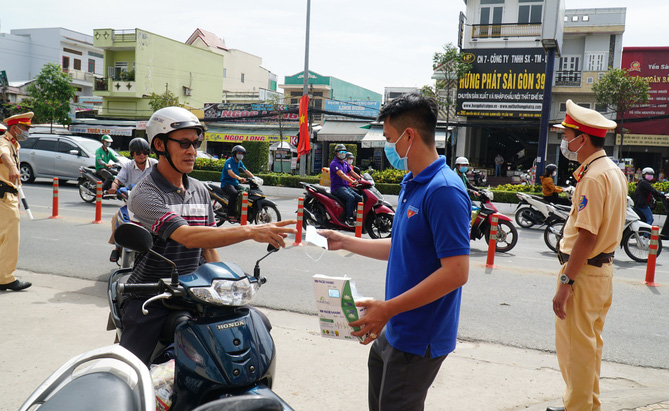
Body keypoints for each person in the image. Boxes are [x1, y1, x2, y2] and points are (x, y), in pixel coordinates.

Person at [319, 94, 470, 410]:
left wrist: (387, 308)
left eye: (389, 139)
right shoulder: (412, 183)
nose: (389, 148)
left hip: (418, 338)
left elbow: (456, 272)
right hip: (395, 328)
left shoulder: (444, 190)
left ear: (409, 136)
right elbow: (401, 245)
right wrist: (345, 241)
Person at [122, 106, 295, 364]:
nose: (192, 151)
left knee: (258, 326)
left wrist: (226, 287)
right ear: (159, 144)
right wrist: (249, 230)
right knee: (130, 370)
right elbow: (188, 236)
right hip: (153, 295)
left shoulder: (200, 190)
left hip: (194, 290)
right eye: (183, 143)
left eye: (195, 143)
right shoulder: (146, 194)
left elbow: (207, 244)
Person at [548, 99, 627, 411]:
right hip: (599, 272)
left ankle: (578, 407)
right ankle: (585, 404)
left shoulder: (594, 176)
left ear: (582, 138)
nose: (565, 141)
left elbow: (587, 235)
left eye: (567, 135)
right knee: (589, 345)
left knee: (575, 348)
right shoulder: (612, 171)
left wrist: (566, 282)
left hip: (582, 272)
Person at [0, 112, 35, 291]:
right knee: (10, 237)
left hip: (5, 193)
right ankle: (6, 278)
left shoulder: (12, 144)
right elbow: (4, 156)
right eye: (26, 128)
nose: (27, 131)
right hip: (3, 194)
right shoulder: (3, 142)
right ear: (15, 128)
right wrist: (13, 167)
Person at [107, 137, 158, 262]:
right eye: (138, 153)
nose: (142, 155)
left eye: (145, 152)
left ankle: (157, 249)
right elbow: (118, 179)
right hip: (131, 203)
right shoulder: (128, 166)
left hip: (151, 203)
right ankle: (117, 248)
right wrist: (114, 187)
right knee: (116, 218)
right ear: (132, 154)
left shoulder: (156, 165)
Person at [220, 144, 255, 223]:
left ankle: (239, 211)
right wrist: (239, 178)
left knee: (246, 191)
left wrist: (254, 178)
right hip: (226, 183)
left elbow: (246, 171)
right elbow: (230, 172)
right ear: (234, 153)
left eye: (242, 153)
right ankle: (230, 214)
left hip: (235, 183)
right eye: (239, 153)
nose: (240, 155)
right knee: (234, 193)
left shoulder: (240, 163)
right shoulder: (228, 161)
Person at [329, 143, 361, 226]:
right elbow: (341, 174)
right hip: (337, 188)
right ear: (336, 153)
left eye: (344, 151)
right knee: (350, 198)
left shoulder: (345, 163)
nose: (343, 153)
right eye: (340, 152)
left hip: (345, 187)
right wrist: (352, 181)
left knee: (359, 198)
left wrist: (360, 178)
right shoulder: (334, 163)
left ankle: (358, 217)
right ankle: (348, 218)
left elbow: (352, 172)